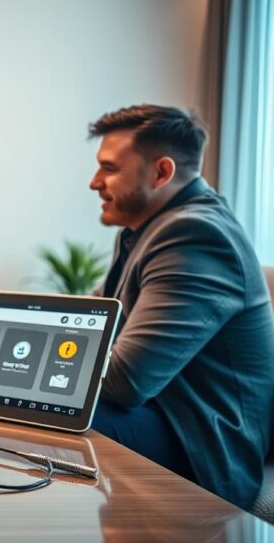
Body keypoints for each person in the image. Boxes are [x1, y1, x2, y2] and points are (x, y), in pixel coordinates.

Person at [86, 104, 274, 509]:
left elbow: (126, 382)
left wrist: (50, 372)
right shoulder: (144, 230)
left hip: (201, 443)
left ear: (162, 172)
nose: (94, 182)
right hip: (160, 413)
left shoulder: (197, 234)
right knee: (12, 409)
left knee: (50, 417)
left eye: (109, 168)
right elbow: (89, 321)